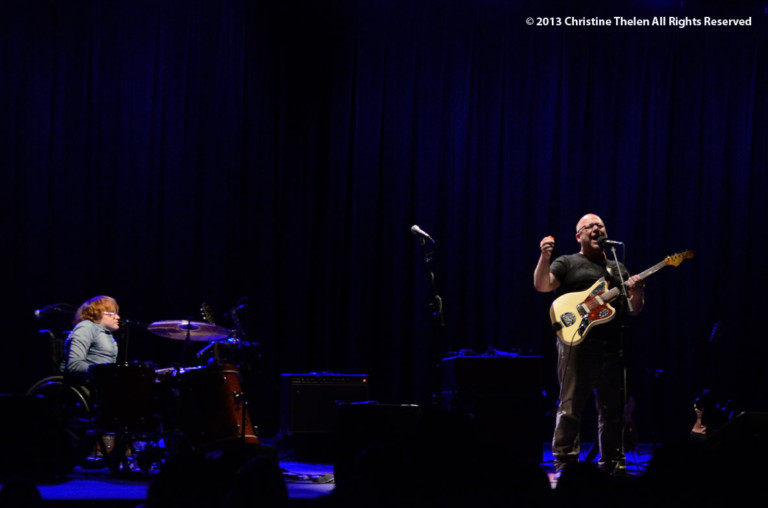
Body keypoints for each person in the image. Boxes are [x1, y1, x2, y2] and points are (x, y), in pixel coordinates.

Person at [534, 213, 645, 476]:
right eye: (589, 226)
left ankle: (611, 463)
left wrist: (638, 290)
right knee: (570, 406)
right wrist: (545, 256)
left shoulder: (618, 267)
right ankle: (565, 463)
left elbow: (633, 310)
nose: (596, 229)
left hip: (612, 346)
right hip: (577, 344)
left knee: (612, 410)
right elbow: (542, 285)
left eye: (600, 225)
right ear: (578, 236)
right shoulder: (568, 262)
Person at [61, 295, 120, 378]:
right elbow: (74, 364)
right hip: (86, 381)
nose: (117, 317)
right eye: (111, 314)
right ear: (96, 313)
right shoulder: (86, 327)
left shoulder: (106, 334)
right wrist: (102, 372)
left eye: (116, 313)